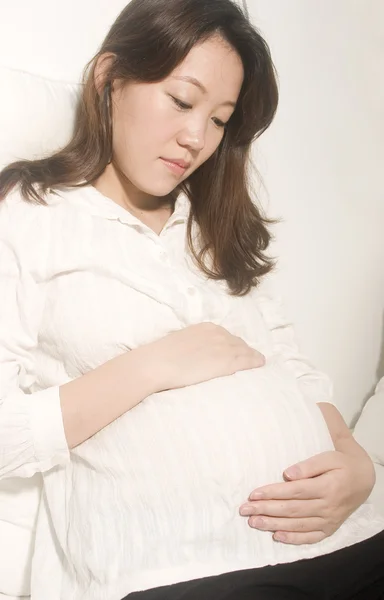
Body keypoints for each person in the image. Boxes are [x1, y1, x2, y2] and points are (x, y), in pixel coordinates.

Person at [0, 0, 383, 599]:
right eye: (182, 101)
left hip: (352, 537)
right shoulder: (30, 212)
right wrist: (152, 366)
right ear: (108, 78)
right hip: (185, 571)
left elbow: (295, 371)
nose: (196, 138)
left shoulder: (214, 227)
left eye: (221, 119)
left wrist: (355, 463)